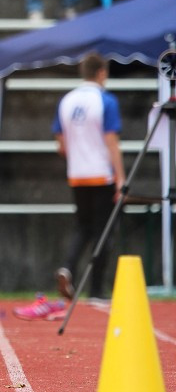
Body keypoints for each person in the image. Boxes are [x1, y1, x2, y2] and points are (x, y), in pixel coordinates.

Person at [53, 52, 125, 302]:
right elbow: (111, 142)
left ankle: (68, 268)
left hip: (77, 174)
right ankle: (96, 289)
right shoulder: (106, 101)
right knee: (103, 232)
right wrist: (121, 178)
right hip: (101, 174)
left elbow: (60, 144)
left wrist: (76, 157)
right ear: (102, 73)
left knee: (83, 227)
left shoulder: (67, 100)